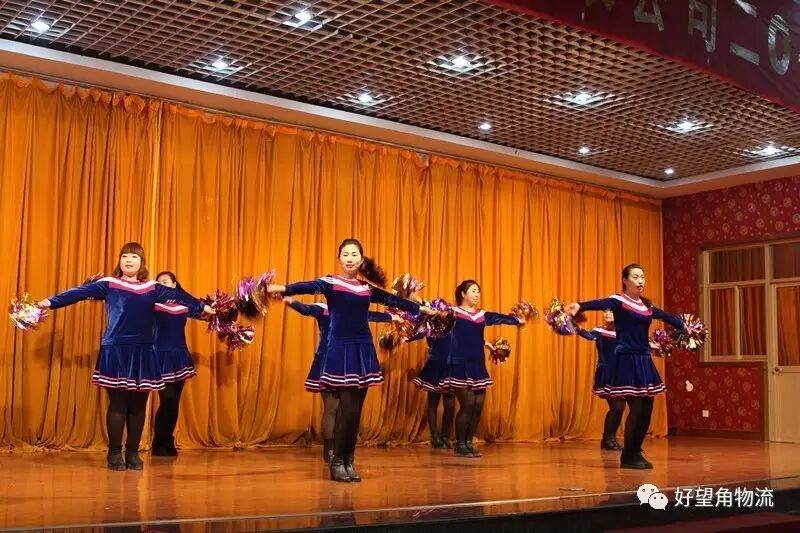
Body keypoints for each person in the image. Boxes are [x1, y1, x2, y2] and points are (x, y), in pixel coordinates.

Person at [267, 238, 431, 482]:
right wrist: (282, 288)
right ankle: (336, 461)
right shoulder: (331, 282)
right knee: (347, 410)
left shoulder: (366, 288)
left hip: (363, 349)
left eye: (354, 254)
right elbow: (306, 286)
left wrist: (422, 309)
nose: (350, 258)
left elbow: (392, 300)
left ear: (362, 260)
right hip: (340, 350)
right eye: (345, 254)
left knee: (355, 413)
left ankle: (348, 461)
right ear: (339, 259)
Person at [37, 243, 213, 471]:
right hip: (116, 350)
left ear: (142, 263)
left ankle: (132, 452)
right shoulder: (109, 284)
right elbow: (77, 293)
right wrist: (48, 302)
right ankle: (114, 453)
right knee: (118, 405)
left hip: (144, 352)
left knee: (139, 406)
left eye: (134, 256)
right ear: (120, 261)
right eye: (125, 256)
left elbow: (179, 295)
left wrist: (203, 307)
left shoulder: (152, 288)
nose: (129, 260)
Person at [566, 263, 686, 469]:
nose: (640, 281)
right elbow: (600, 303)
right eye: (635, 277)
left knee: (647, 410)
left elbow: (666, 316)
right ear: (625, 281)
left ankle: (635, 450)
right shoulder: (618, 301)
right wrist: (579, 305)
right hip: (626, 361)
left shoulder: (646, 306)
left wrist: (685, 327)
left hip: (644, 360)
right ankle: (629, 454)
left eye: (643, 277)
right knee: (636, 408)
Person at [283, 296, 396, 462]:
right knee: (332, 408)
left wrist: (392, 317)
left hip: (345, 362)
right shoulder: (322, 308)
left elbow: (371, 315)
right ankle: (329, 450)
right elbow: (305, 309)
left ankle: (337, 450)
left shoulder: (348, 310)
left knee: (343, 409)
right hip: (329, 360)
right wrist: (291, 301)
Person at [441, 280, 524, 458]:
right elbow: (434, 318)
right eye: (473, 291)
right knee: (468, 404)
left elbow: (500, 318)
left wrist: (517, 320)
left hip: (477, 365)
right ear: (463, 294)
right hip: (459, 364)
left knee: (478, 406)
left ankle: (468, 442)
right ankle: (459, 444)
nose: (477, 294)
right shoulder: (453, 313)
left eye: (478, 291)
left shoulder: (481, 315)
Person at [151, 271, 204, 456]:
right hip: (160, 356)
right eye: (159, 282)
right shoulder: (152, 303)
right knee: (167, 400)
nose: (162, 284)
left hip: (180, 355)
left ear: (174, 284)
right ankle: (159, 442)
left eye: (165, 281)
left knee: (174, 403)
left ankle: (168, 441)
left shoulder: (184, 303)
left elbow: (203, 312)